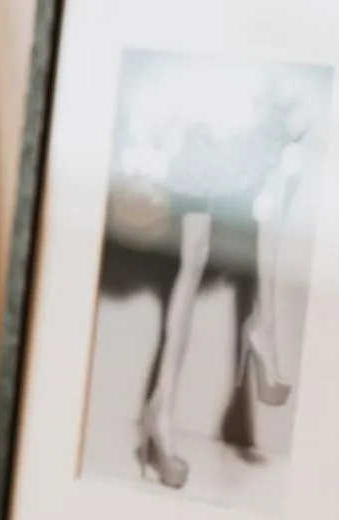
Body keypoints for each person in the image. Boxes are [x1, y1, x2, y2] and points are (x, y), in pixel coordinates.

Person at [99, 80, 307, 490]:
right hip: (205, 115)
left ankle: (162, 410)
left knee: (200, 252)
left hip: (220, 117)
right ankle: (259, 334)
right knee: (215, 238)